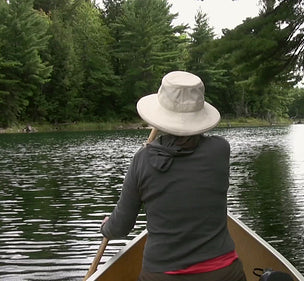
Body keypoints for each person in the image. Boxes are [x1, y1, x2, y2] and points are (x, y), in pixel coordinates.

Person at [101, 71, 246, 281]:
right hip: (224, 274)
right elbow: (188, 149)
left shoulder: (143, 159)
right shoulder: (220, 150)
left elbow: (121, 226)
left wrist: (106, 227)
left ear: (160, 116)